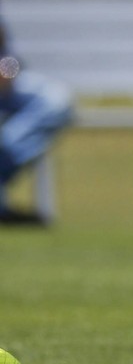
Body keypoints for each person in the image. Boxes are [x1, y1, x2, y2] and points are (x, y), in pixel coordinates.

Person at [0, 20, 74, 226]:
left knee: (57, 100)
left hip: (9, 94)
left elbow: (10, 65)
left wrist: (6, 74)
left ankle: (7, 153)